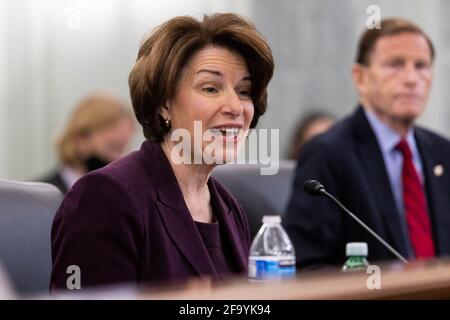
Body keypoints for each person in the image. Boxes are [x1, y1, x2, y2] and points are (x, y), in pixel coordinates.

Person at [50, 13, 274, 291]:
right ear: (163, 105)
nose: (235, 106)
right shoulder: (104, 197)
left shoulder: (229, 207)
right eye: (210, 88)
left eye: (244, 91)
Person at [284, 18, 450, 268]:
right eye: (395, 64)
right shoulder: (328, 153)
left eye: (421, 66)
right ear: (360, 78)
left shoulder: (442, 152)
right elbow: (308, 266)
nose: (411, 78)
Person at [39, 93, 135, 194]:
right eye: (112, 147)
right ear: (80, 138)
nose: (119, 158)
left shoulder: (121, 197)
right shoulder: (39, 198)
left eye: (123, 149)